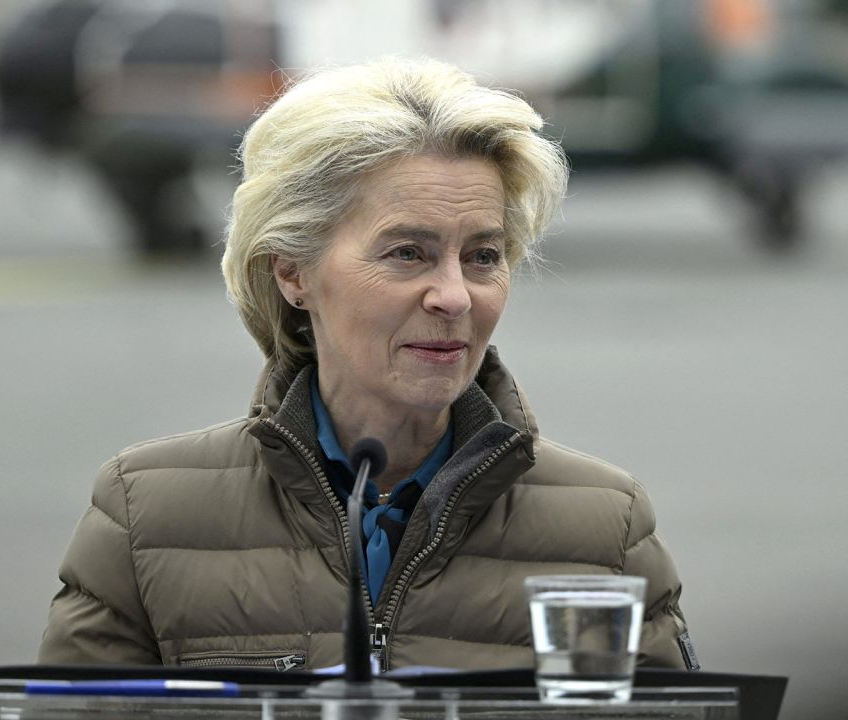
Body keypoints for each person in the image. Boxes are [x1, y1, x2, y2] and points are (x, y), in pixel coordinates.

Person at [38, 57, 696, 672]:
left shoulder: (603, 529)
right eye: (407, 252)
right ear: (292, 271)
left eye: (483, 256)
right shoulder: (148, 514)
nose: (454, 296)